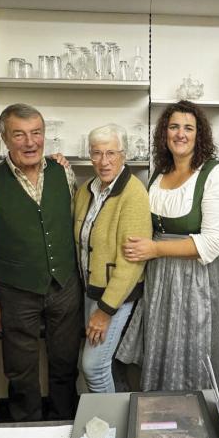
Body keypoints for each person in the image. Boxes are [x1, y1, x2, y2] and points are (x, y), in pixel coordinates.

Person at [117, 100, 219, 398]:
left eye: (188, 127)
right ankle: (162, 418)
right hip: (162, 278)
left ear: (200, 135)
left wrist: (155, 250)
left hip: (199, 280)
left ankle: (197, 425)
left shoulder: (216, 174)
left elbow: (213, 242)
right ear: (164, 133)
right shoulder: (159, 174)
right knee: (164, 345)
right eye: (173, 127)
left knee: (195, 348)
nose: (180, 134)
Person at [0, 103, 81, 421]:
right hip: (15, 290)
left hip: (64, 285)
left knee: (65, 363)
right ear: (4, 138)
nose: (30, 142)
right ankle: (26, 429)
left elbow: (72, 225)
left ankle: (65, 422)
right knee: (21, 370)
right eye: (19, 135)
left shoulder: (65, 171)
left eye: (36, 133)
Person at [73, 124, 152, 393]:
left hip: (114, 297)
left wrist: (105, 311)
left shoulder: (134, 194)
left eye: (111, 153)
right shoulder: (85, 190)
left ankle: (107, 428)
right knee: (107, 365)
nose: (103, 161)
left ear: (123, 155)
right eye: (96, 153)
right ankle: (117, 419)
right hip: (89, 292)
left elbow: (132, 262)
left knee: (93, 366)